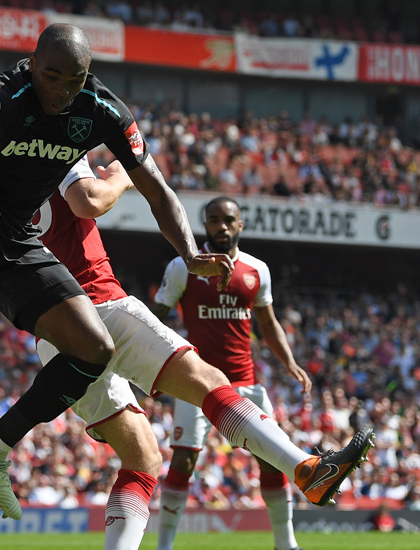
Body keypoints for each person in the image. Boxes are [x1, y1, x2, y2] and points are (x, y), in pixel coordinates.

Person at [0, 156, 375, 549]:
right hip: (98, 301)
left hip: (51, 332)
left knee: (143, 458)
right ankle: (306, 468)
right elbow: (89, 201)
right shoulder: (54, 149)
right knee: (205, 378)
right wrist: (127, 172)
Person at [0, 22, 233, 521]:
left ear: (89, 75)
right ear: (33, 64)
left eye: (74, 79)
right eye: (51, 76)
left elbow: (158, 189)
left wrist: (190, 254)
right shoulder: (9, 92)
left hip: (18, 245)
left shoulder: (101, 110)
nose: (61, 90)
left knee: (95, 349)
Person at [152, 196, 312, 550]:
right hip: (196, 381)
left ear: (240, 225)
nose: (221, 226)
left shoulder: (257, 271)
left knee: (271, 458)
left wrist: (289, 362)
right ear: (204, 224)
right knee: (184, 459)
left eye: (228, 220)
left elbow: (268, 324)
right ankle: (164, 545)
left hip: (246, 382)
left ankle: (285, 544)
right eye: (213, 220)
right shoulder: (183, 267)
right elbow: (157, 316)